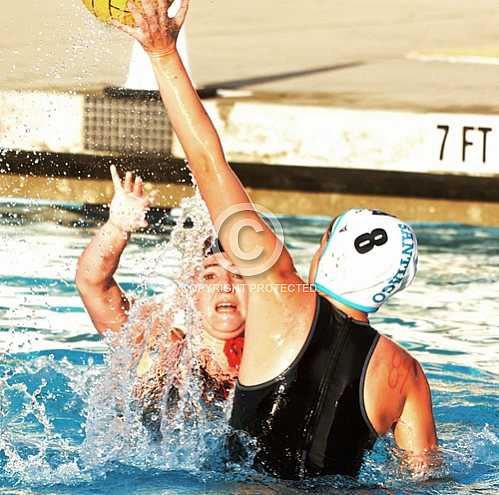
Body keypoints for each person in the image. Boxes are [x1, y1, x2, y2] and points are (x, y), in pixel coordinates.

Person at [113, 0, 438, 479]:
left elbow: (208, 163)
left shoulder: (275, 286)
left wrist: (163, 54)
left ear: (327, 254)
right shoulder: (405, 374)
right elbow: (426, 477)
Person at [75, 166, 247, 432]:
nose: (225, 287)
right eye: (211, 277)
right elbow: (93, 284)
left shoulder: (274, 350)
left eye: (239, 277)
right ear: (192, 289)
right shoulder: (157, 342)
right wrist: (117, 227)